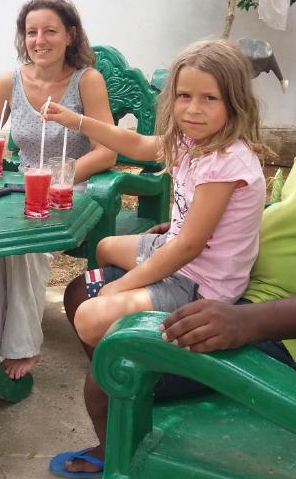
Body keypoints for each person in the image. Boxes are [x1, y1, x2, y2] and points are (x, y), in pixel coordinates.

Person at [50, 0, 296, 478]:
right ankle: (137, 428)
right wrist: (197, 220)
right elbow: (290, 219)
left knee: (112, 367)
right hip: (242, 291)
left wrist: (246, 323)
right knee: (80, 291)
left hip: (286, 335)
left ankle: (134, 446)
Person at [41, 40, 269, 349]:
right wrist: (77, 121)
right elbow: (136, 145)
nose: (193, 109)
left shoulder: (226, 162)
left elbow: (188, 247)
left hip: (200, 284)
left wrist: (122, 286)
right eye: (184, 96)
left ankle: (125, 353)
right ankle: (125, 326)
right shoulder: (192, 140)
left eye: (209, 98)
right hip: (176, 249)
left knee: (89, 318)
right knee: (106, 247)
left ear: (234, 102)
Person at [0, 0, 117, 381]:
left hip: (70, 189)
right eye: (31, 32)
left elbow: (107, 152)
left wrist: (60, 179)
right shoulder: (9, 81)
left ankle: (22, 344)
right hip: (20, 185)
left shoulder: (87, 81)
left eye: (50, 31)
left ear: (70, 35)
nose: (39, 40)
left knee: (26, 239)